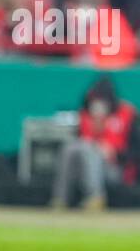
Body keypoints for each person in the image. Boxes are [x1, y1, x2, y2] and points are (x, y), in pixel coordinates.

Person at [51, 76, 135, 210]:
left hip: (114, 168)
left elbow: (137, 150)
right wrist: (96, 130)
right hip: (84, 166)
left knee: (90, 151)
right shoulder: (86, 115)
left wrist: (116, 153)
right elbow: (81, 142)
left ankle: (96, 196)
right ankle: (61, 198)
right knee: (71, 148)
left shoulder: (126, 113)